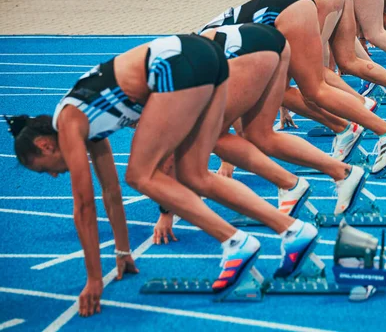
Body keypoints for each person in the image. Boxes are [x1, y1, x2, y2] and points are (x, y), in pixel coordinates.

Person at [5, 34, 319, 317]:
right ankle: (292, 230)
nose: (54, 176)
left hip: (178, 64)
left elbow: (84, 206)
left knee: (140, 175)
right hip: (208, 59)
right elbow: (110, 194)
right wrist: (122, 252)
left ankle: (235, 242)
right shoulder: (88, 122)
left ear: (45, 146)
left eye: (45, 170)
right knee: (195, 175)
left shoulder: (69, 122)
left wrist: (94, 280)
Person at [153, 24, 367, 243]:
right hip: (267, 42)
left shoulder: (163, 90)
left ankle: (294, 183)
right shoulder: (163, 76)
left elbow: (170, 150)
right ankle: (339, 172)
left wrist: (166, 213)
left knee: (223, 136)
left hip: (248, 51)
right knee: (258, 135)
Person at [200, 0, 386, 175]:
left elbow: (232, 106)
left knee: (315, 88)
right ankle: (345, 128)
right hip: (285, 11)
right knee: (287, 92)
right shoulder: (198, 53)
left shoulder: (201, 61)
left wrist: (228, 160)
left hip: (287, 10)